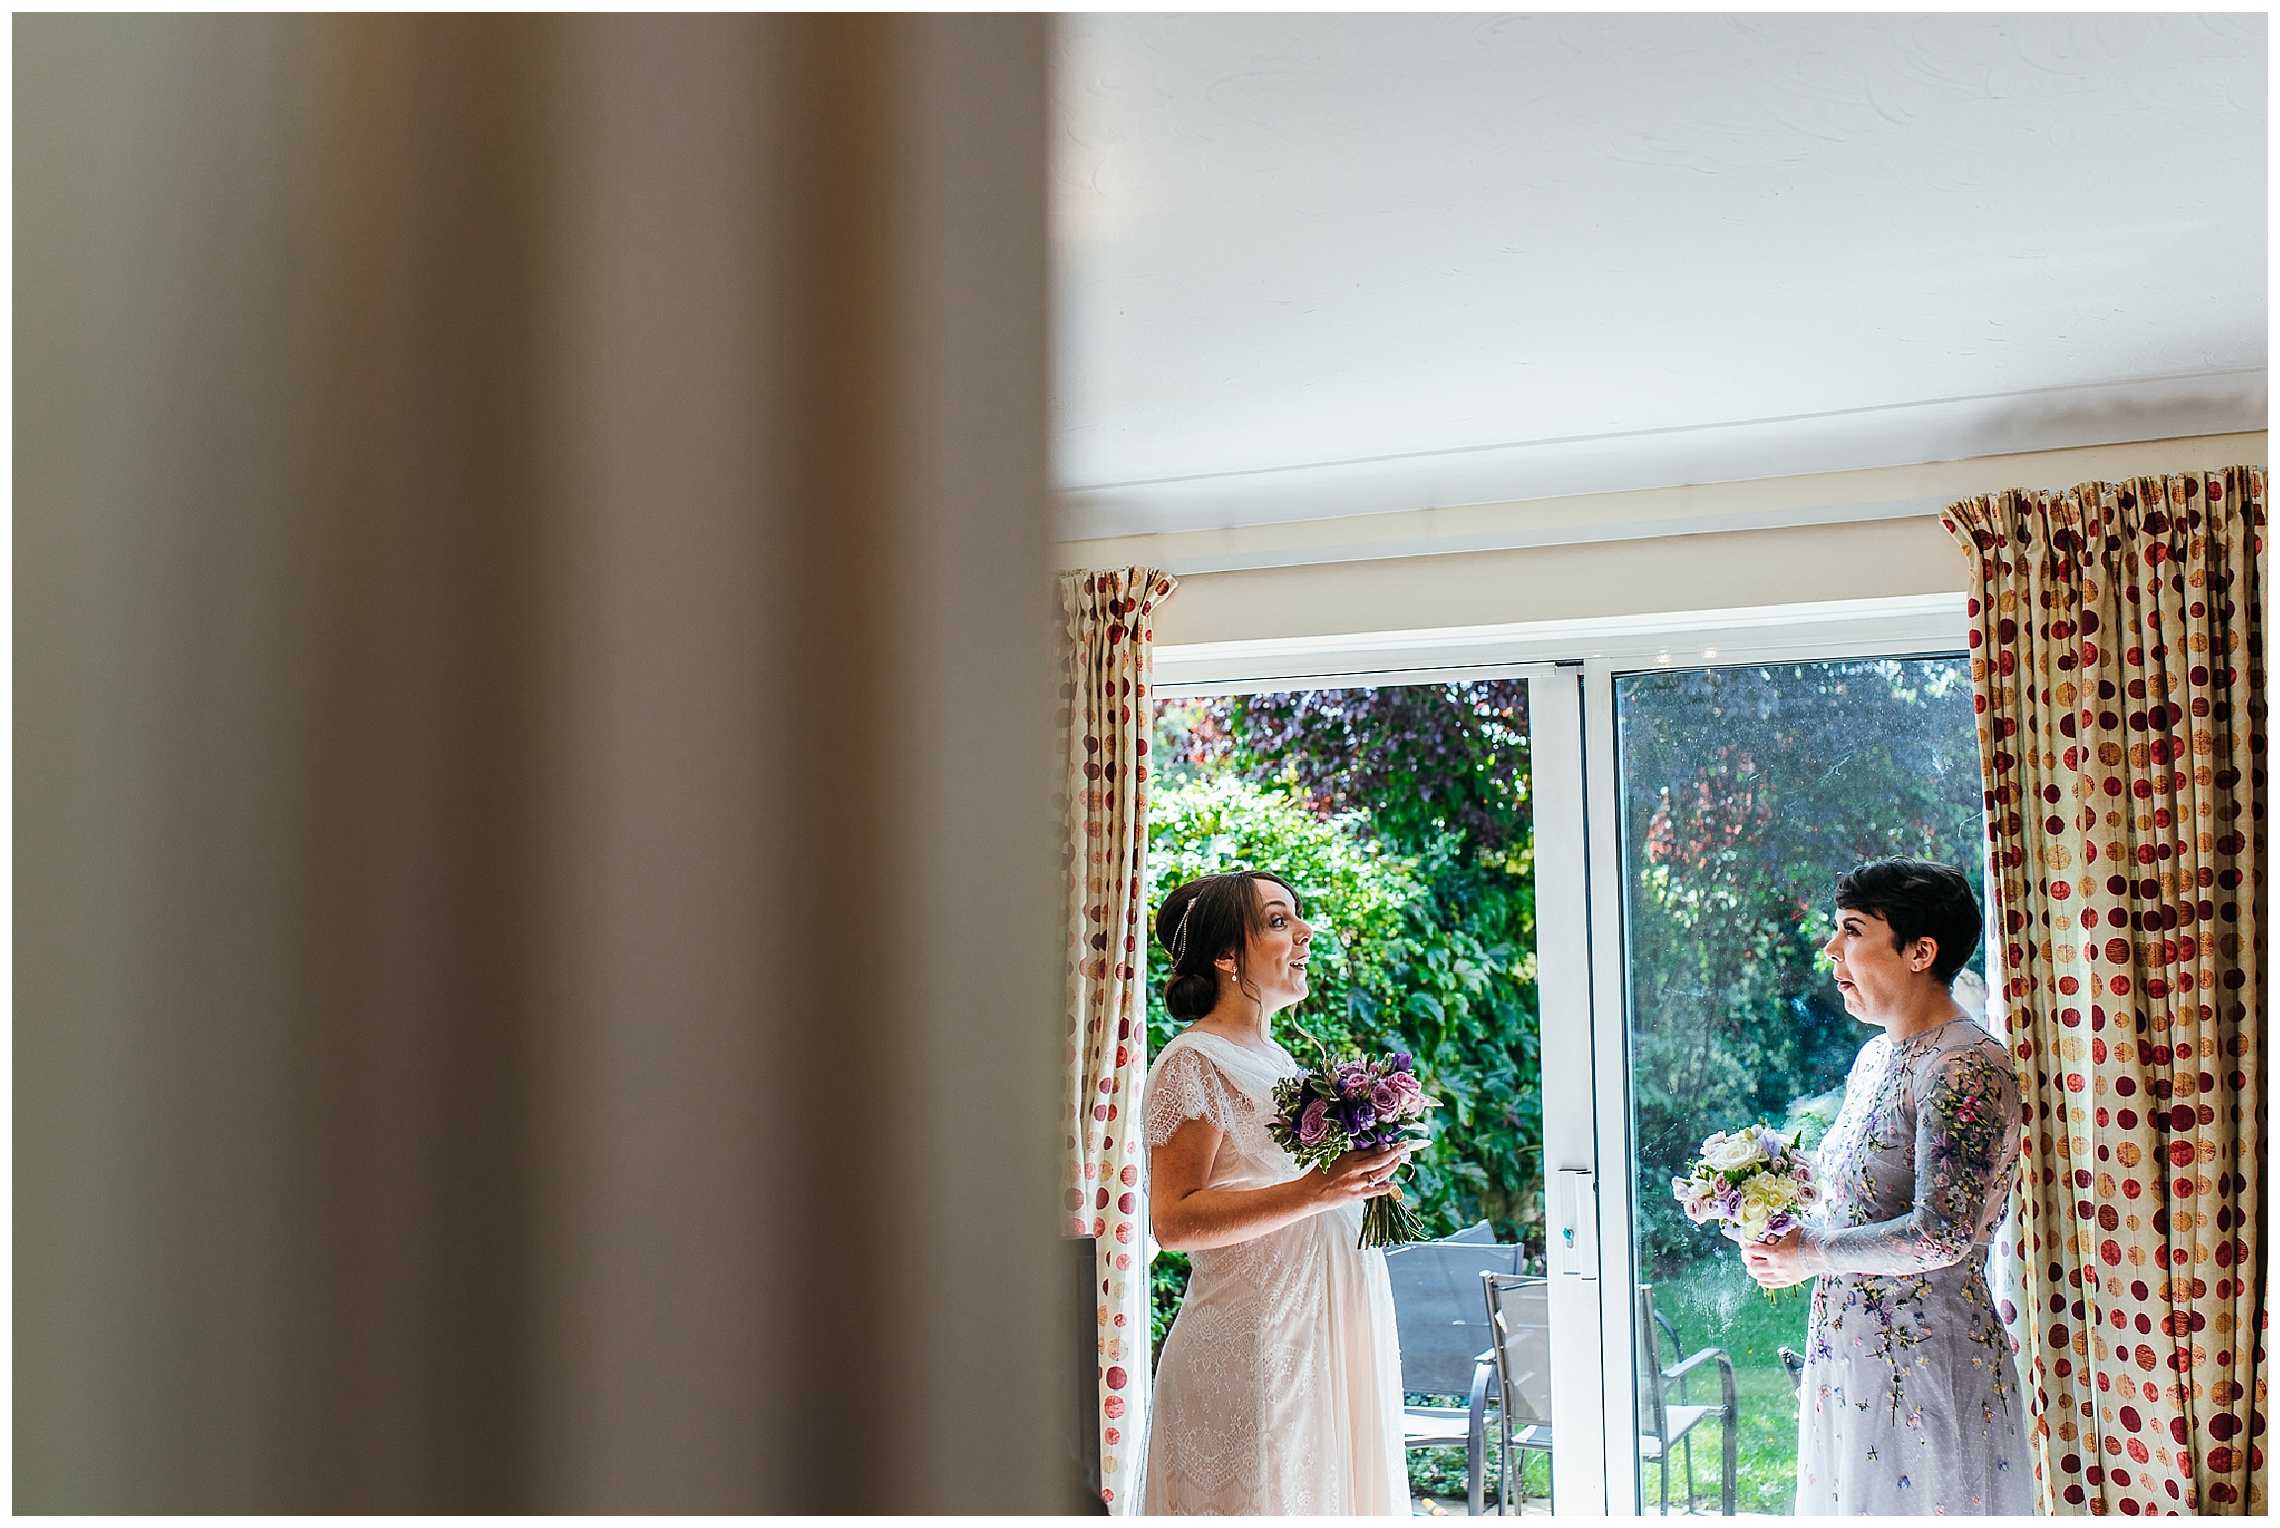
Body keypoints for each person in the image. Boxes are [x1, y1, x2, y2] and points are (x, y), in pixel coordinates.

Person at [1743, 858, 2034, 1515]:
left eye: (1851, 930)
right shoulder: (1874, 1057)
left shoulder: (1965, 1067)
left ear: (1920, 951)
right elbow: (1852, 1195)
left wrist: (1810, 1254)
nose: (1829, 949)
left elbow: (1942, 1236)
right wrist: (1764, 1210)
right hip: (1850, 1357)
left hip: (1925, 1362)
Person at [1139, 870, 1415, 1516]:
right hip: (1253, 1357)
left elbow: (1286, 1188)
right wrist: (1315, 1193)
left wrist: (1357, 1180)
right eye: (1277, 920)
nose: (1304, 931)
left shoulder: (1281, 1061)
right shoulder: (1194, 1063)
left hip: (1314, 1346)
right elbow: (1173, 1222)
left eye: (1297, 916)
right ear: (1226, 955)